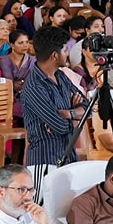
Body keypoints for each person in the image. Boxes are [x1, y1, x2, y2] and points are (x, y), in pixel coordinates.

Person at [20, 24, 85, 168]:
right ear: (55, 55)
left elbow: (87, 106)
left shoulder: (61, 76)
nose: (67, 53)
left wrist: (68, 113)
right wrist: (76, 117)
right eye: (65, 50)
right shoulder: (34, 87)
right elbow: (61, 127)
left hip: (68, 155)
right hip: (45, 159)